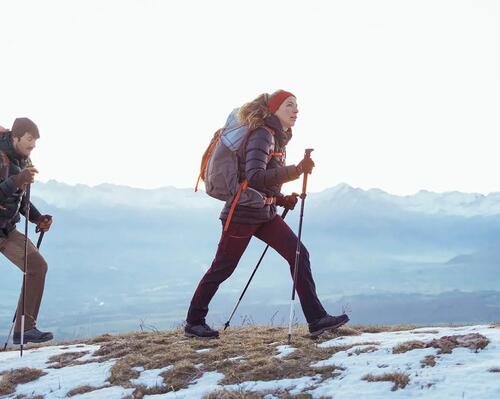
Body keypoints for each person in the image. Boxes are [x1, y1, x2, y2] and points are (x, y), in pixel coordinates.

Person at [185, 90, 349, 338]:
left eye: (297, 106)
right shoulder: (263, 135)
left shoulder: (276, 137)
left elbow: (259, 181)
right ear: (274, 110)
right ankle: (193, 322)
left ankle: (317, 320)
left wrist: (282, 198)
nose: (295, 110)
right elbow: (255, 177)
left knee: (298, 254)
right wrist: (296, 170)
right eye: (289, 106)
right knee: (223, 268)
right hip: (242, 214)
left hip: (263, 212)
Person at [0, 117, 54, 344]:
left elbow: (20, 200)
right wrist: (17, 180)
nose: (33, 145)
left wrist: (37, 218)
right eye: (29, 139)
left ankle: (25, 329)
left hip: (5, 230)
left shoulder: (24, 161)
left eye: (35, 141)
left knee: (37, 267)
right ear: (15, 137)